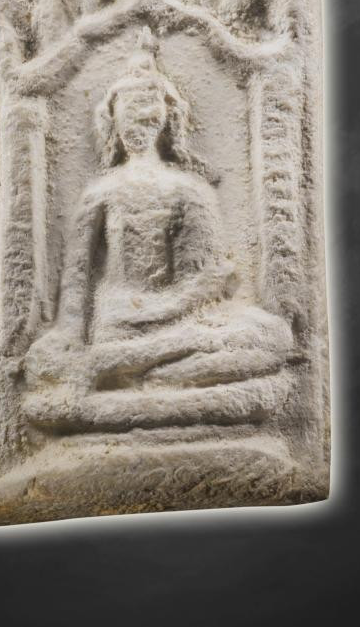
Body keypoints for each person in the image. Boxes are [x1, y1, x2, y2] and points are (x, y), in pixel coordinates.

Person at [24, 28, 292, 431]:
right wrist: (67, 336)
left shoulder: (190, 191)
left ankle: (123, 374)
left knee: (273, 337)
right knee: (43, 361)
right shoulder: (101, 192)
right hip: (119, 320)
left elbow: (204, 280)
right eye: (128, 106)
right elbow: (76, 281)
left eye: (147, 106)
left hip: (179, 320)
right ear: (111, 119)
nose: (138, 117)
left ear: (167, 119)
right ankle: (142, 376)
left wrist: (182, 302)